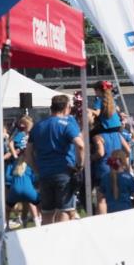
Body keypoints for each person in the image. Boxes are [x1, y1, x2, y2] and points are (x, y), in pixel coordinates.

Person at [25, 94, 85, 225]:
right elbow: (80, 145)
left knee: (47, 213)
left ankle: (47, 241)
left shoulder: (38, 126)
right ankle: (62, 241)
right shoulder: (67, 125)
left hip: (44, 173)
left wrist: (36, 170)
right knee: (65, 211)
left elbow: (28, 153)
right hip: (64, 172)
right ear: (66, 108)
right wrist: (79, 166)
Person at [99, 149, 134, 214]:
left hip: (111, 211)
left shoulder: (105, 177)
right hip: (126, 210)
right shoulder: (128, 177)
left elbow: (100, 197)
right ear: (124, 161)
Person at [6, 155, 41, 227]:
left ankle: (6, 227)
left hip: (15, 191)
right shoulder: (31, 166)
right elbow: (35, 178)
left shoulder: (12, 164)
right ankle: (38, 224)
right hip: (28, 191)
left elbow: (7, 177)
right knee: (40, 207)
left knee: (7, 209)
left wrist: (14, 180)